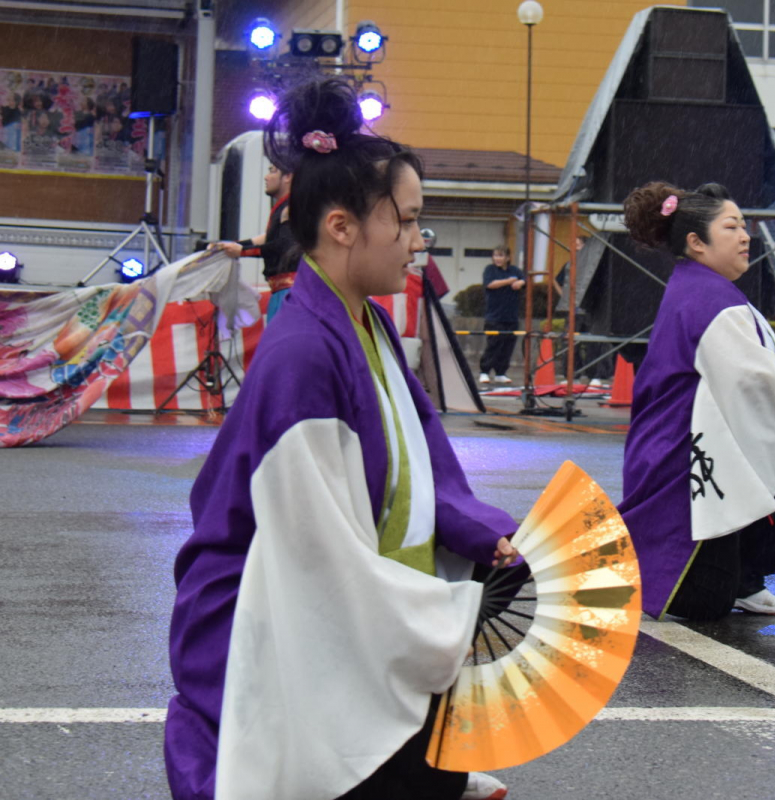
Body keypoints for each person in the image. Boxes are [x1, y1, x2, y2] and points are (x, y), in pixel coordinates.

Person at [164, 78, 514, 800]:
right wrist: (451, 611)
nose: (421, 243)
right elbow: (320, 561)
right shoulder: (304, 353)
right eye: (409, 222)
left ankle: (416, 768)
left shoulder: (364, 322)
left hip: (329, 589)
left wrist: (487, 535)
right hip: (260, 613)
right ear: (341, 226)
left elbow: (426, 466)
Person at [616, 181, 775, 621]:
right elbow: (757, 383)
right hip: (684, 458)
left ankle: (745, 578)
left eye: (744, 226)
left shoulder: (698, 289)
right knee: (702, 603)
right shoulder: (709, 299)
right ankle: (725, 580)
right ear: (696, 243)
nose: (745, 237)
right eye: (732, 227)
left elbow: (751, 380)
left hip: (684, 446)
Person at [211, 163, 297, 321]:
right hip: (283, 292)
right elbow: (268, 238)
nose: (266, 177)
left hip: (290, 293)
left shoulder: (293, 207)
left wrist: (241, 251)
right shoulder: (283, 207)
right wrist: (229, 246)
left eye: (272, 171)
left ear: (288, 177)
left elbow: (284, 245)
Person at [553, 235, 610, 386]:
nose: (575, 247)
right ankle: (572, 373)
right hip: (573, 309)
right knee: (571, 342)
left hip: (590, 309)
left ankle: (594, 374)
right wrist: (564, 296)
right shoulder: (569, 264)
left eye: (578, 245)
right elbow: (556, 281)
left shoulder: (594, 266)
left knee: (593, 342)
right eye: (574, 244)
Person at [478, 245, 524, 385]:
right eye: (496, 255)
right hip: (494, 315)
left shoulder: (515, 270)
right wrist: (510, 281)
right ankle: (484, 371)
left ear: (508, 258)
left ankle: (501, 372)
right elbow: (491, 284)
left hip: (511, 315)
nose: (498, 258)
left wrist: (520, 282)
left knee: (508, 345)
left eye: (501, 256)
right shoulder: (490, 270)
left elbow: (524, 279)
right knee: (493, 344)